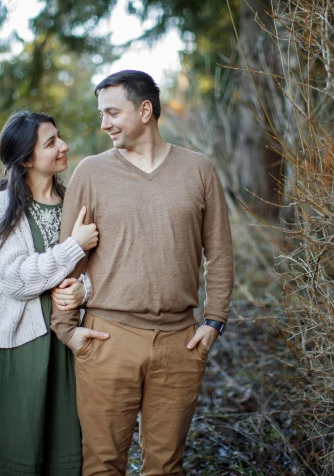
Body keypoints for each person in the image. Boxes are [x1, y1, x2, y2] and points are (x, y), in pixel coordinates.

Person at [51, 70, 234, 476]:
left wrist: (215, 321)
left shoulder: (198, 170)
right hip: (107, 338)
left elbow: (219, 251)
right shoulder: (92, 173)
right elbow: (68, 255)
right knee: (102, 465)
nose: (104, 124)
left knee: (167, 467)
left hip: (179, 344)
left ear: (145, 110)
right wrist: (68, 330)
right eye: (101, 114)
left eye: (112, 112)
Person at [0, 111, 108, 476]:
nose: (64, 146)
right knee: (15, 455)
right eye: (51, 142)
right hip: (15, 348)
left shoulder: (74, 204)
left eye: (59, 137)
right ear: (26, 159)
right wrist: (73, 247)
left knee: (64, 456)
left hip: (65, 346)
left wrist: (85, 289)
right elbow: (17, 281)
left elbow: (100, 269)